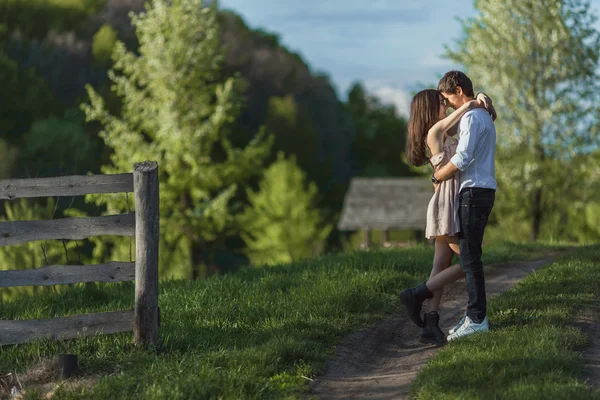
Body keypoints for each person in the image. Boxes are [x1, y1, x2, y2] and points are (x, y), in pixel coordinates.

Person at [399, 79, 496, 345]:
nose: (445, 106)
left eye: (445, 101)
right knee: (468, 263)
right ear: (430, 109)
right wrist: (475, 101)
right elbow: (459, 114)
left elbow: (460, 117)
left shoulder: (443, 131)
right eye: (440, 103)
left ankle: (431, 322)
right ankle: (417, 293)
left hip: (451, 198)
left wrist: (479, 96)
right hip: (447, 201)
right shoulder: (434, 132)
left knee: (441, 264)